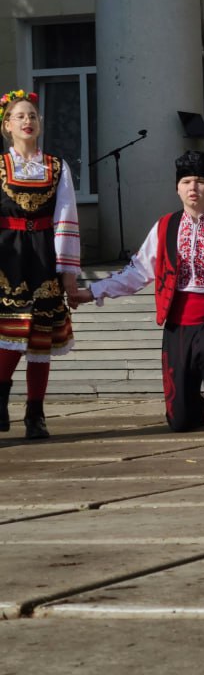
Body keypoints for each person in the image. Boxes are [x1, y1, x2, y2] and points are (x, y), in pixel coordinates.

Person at [73, 152, 204, 433]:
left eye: (200, 181)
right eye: (186, 181)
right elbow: (138, 271)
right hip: (178, 319)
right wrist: (93, 292)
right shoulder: (165, 226)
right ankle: (194, 408)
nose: (193, 188)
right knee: (180, 421)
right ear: (177, 188)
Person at [0, 89, 81, 440]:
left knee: (40, 337)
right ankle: (0, 402)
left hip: (45, 253)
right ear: (7, 126)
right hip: (7, 255)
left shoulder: (56, 166)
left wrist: (68, 274)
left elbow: (66, 217)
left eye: (32, 116)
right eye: (20, 116)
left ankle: (36, 412)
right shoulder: (0, 166)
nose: (27, 121)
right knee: (7, 334)